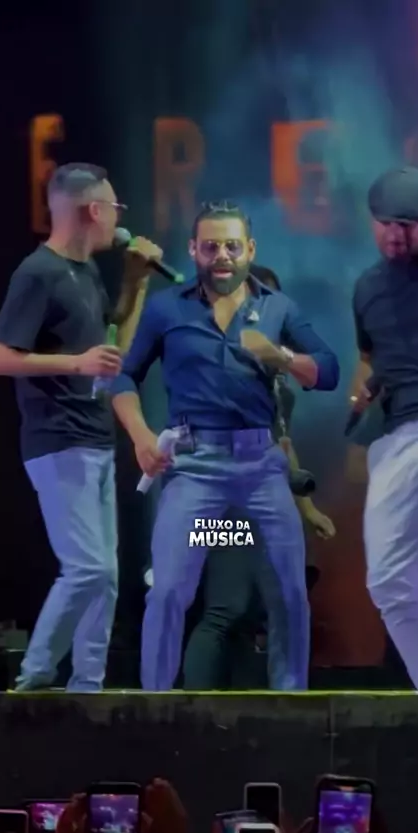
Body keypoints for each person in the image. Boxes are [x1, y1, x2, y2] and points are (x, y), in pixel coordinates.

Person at [111, 199, 339, 691]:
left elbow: (329, 372)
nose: (222, 256)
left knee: (288, 594)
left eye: (232, 246)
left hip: (262, 470)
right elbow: (123, 376)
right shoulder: (167, 309)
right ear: (193, 249)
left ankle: (290, 705)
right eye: (211, 246)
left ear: (250, 249)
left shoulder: (277, 308)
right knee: (170, 591)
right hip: (195, 471)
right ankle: (155, 707)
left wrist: (279, 355)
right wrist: (141, 436)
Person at [0, 162, 162, 692]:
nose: (119, 218)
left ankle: (88, 686)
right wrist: (75, 363)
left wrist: (135, 283)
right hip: (57, 440)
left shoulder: (84, 273)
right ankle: (36, 674)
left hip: (94, 437)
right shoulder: (37, 272)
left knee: (106, 578)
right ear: (94, 211)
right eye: (115, 208)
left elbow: (115, 349)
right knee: (86, 569)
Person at [182, 263, 336, 690]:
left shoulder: (276, 372)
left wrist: (307, 508)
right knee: (226, 606)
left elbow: (281, 443)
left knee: (280, 603)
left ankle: (282, 703)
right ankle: (189, 711)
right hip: (219, 498)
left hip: (265, 496)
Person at [351, 165, 418, 691]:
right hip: (397, 436)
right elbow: (370, 358)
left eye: (406, 224)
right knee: (388, 579)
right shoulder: (367, 288)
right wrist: (365, 390)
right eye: (384, 223)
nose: (394, 234)